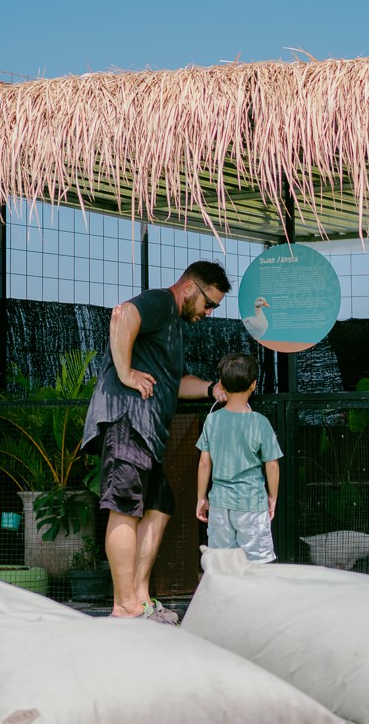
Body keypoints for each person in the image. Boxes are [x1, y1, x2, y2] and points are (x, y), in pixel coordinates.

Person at [81, 260, 232, 622]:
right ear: (190, 288)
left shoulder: (174, 327)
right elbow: (122, 315)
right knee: (124, 507)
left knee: (160, 503)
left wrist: (212, 388)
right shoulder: (161, 302)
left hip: (148, 433)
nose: (209, 313)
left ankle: (140, 598)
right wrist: (125, 373)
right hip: (127, 421)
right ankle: (125, 607)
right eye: (209, 303)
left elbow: (175, 383)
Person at [195, 352, 282, 563]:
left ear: (221, 384)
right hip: (252, 502)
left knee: (222, 562)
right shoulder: (260, 422)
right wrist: (272, 497)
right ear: (253, 385)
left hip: (220, 504)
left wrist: (201, 498)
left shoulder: (212, 421)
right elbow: (272, 464)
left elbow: (204, 462)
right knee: (257, 563)